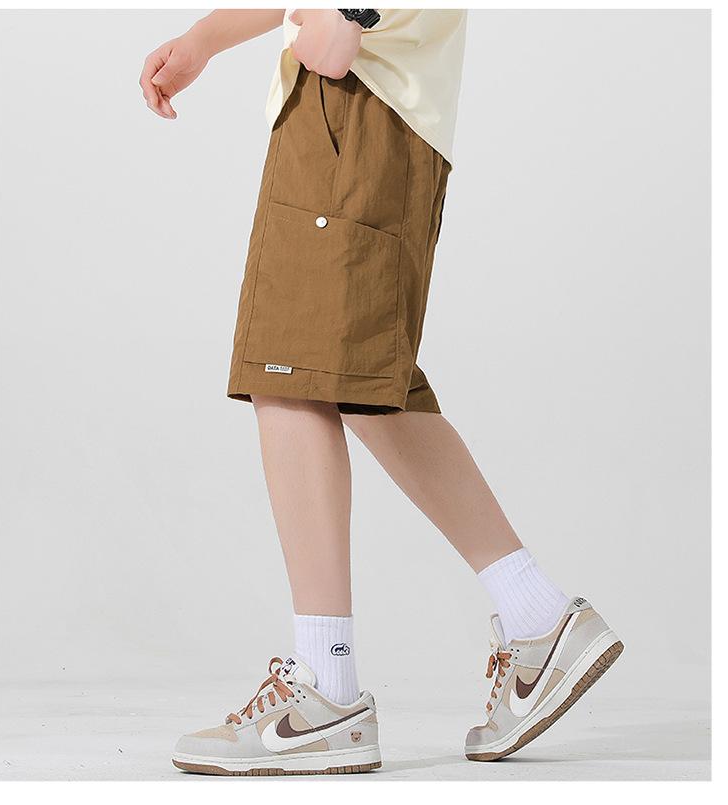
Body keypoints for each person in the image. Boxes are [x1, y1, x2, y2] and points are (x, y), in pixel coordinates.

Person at [139, 8, 623, 777]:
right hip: (370, 109)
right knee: (361, 381)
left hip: (356, 101)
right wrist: (208, 38)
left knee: (290, 375)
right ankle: (535, 616)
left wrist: (348, 13)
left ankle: (326, 693)